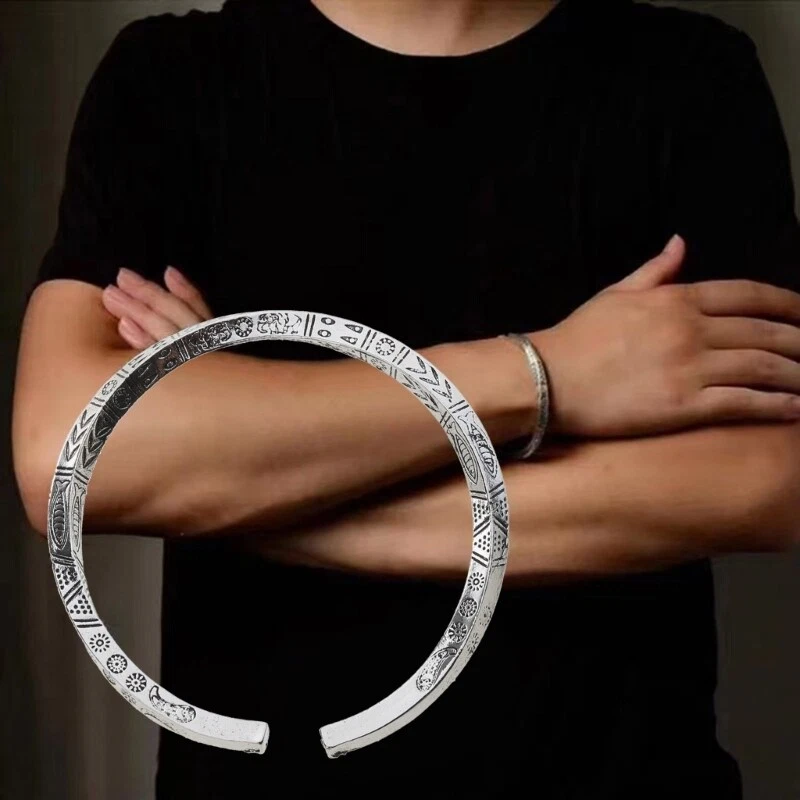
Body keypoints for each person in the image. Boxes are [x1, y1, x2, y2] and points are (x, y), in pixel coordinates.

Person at [12, 0, 800, 796]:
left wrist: (255, 467)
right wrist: (550, 375)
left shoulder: (691, 76)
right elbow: (63, 457)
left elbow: (767, 481)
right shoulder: (170, 78)